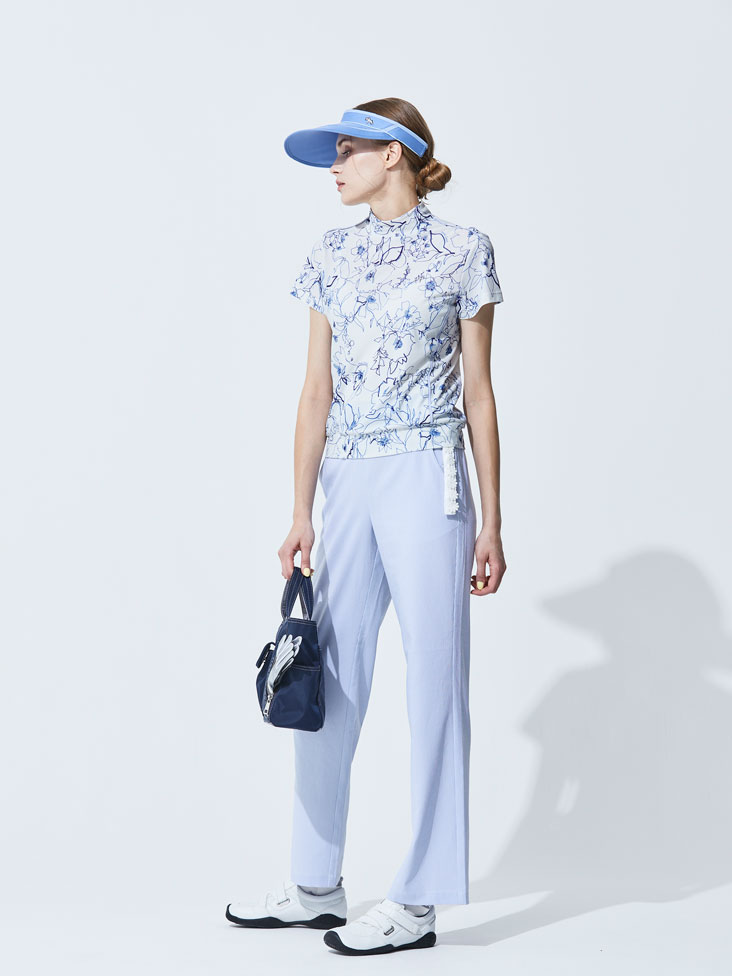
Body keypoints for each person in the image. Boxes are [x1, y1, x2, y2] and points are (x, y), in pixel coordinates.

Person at [226, 98, 508, 955]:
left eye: (348, 150)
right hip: (345, 479)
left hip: (429, 475)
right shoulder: (329, 253)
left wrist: (493, 520)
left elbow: (479, 392)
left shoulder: (464, 249)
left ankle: (418, 900)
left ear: (396, 154)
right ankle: (316, 884)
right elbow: (315, 390)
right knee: (327, 680)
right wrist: (300, 509)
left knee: (435, 687)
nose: (335, 166)